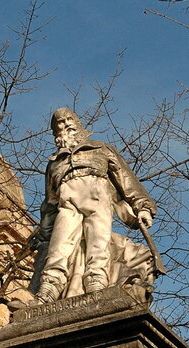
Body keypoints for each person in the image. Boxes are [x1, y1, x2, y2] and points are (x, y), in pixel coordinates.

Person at [30, 108, 157, 301]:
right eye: (59, 124)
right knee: (59, 247)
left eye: (68, 120)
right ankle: (48, 289)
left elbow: (126, 180)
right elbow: (50, 202)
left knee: (98, 243)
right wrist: (42, 234)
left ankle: (96, 285)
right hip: (68, 201)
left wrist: (143, 207)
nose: (64, 125)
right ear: (56, 133)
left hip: (98, 195)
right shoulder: (55, 163)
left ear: (78, 124)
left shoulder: (101, 149)